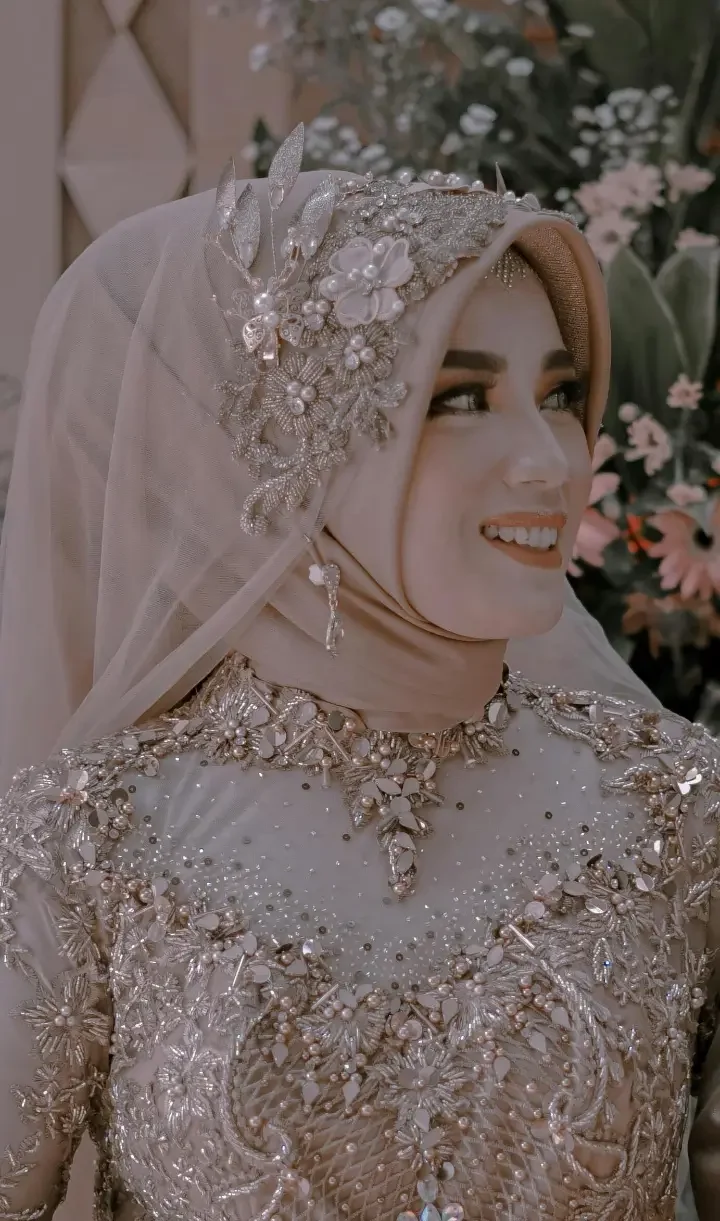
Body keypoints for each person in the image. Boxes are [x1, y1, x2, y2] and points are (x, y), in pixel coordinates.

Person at [0, 129, 716, 1220]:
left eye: (561, 393)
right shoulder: (93, 840)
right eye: (459, 398)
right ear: (291, 454)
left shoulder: (676, 810)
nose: (552, 460)